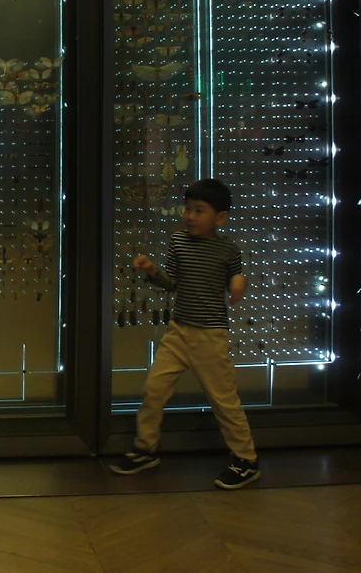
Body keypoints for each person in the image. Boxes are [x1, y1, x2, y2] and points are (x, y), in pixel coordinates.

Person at [111, 178, 260, 490]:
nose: (190, 216)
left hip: (210, 336)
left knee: (224, 400)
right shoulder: (178, 241)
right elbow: (172, 283)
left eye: (199, 210)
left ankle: (246, 460)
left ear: (220, 217)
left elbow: (236, 280)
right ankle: (146, 448)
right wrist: (153, 270)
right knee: (153, 390)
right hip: (178, 331)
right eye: (188, 209)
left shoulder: (229, 249)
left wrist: (238, 285)